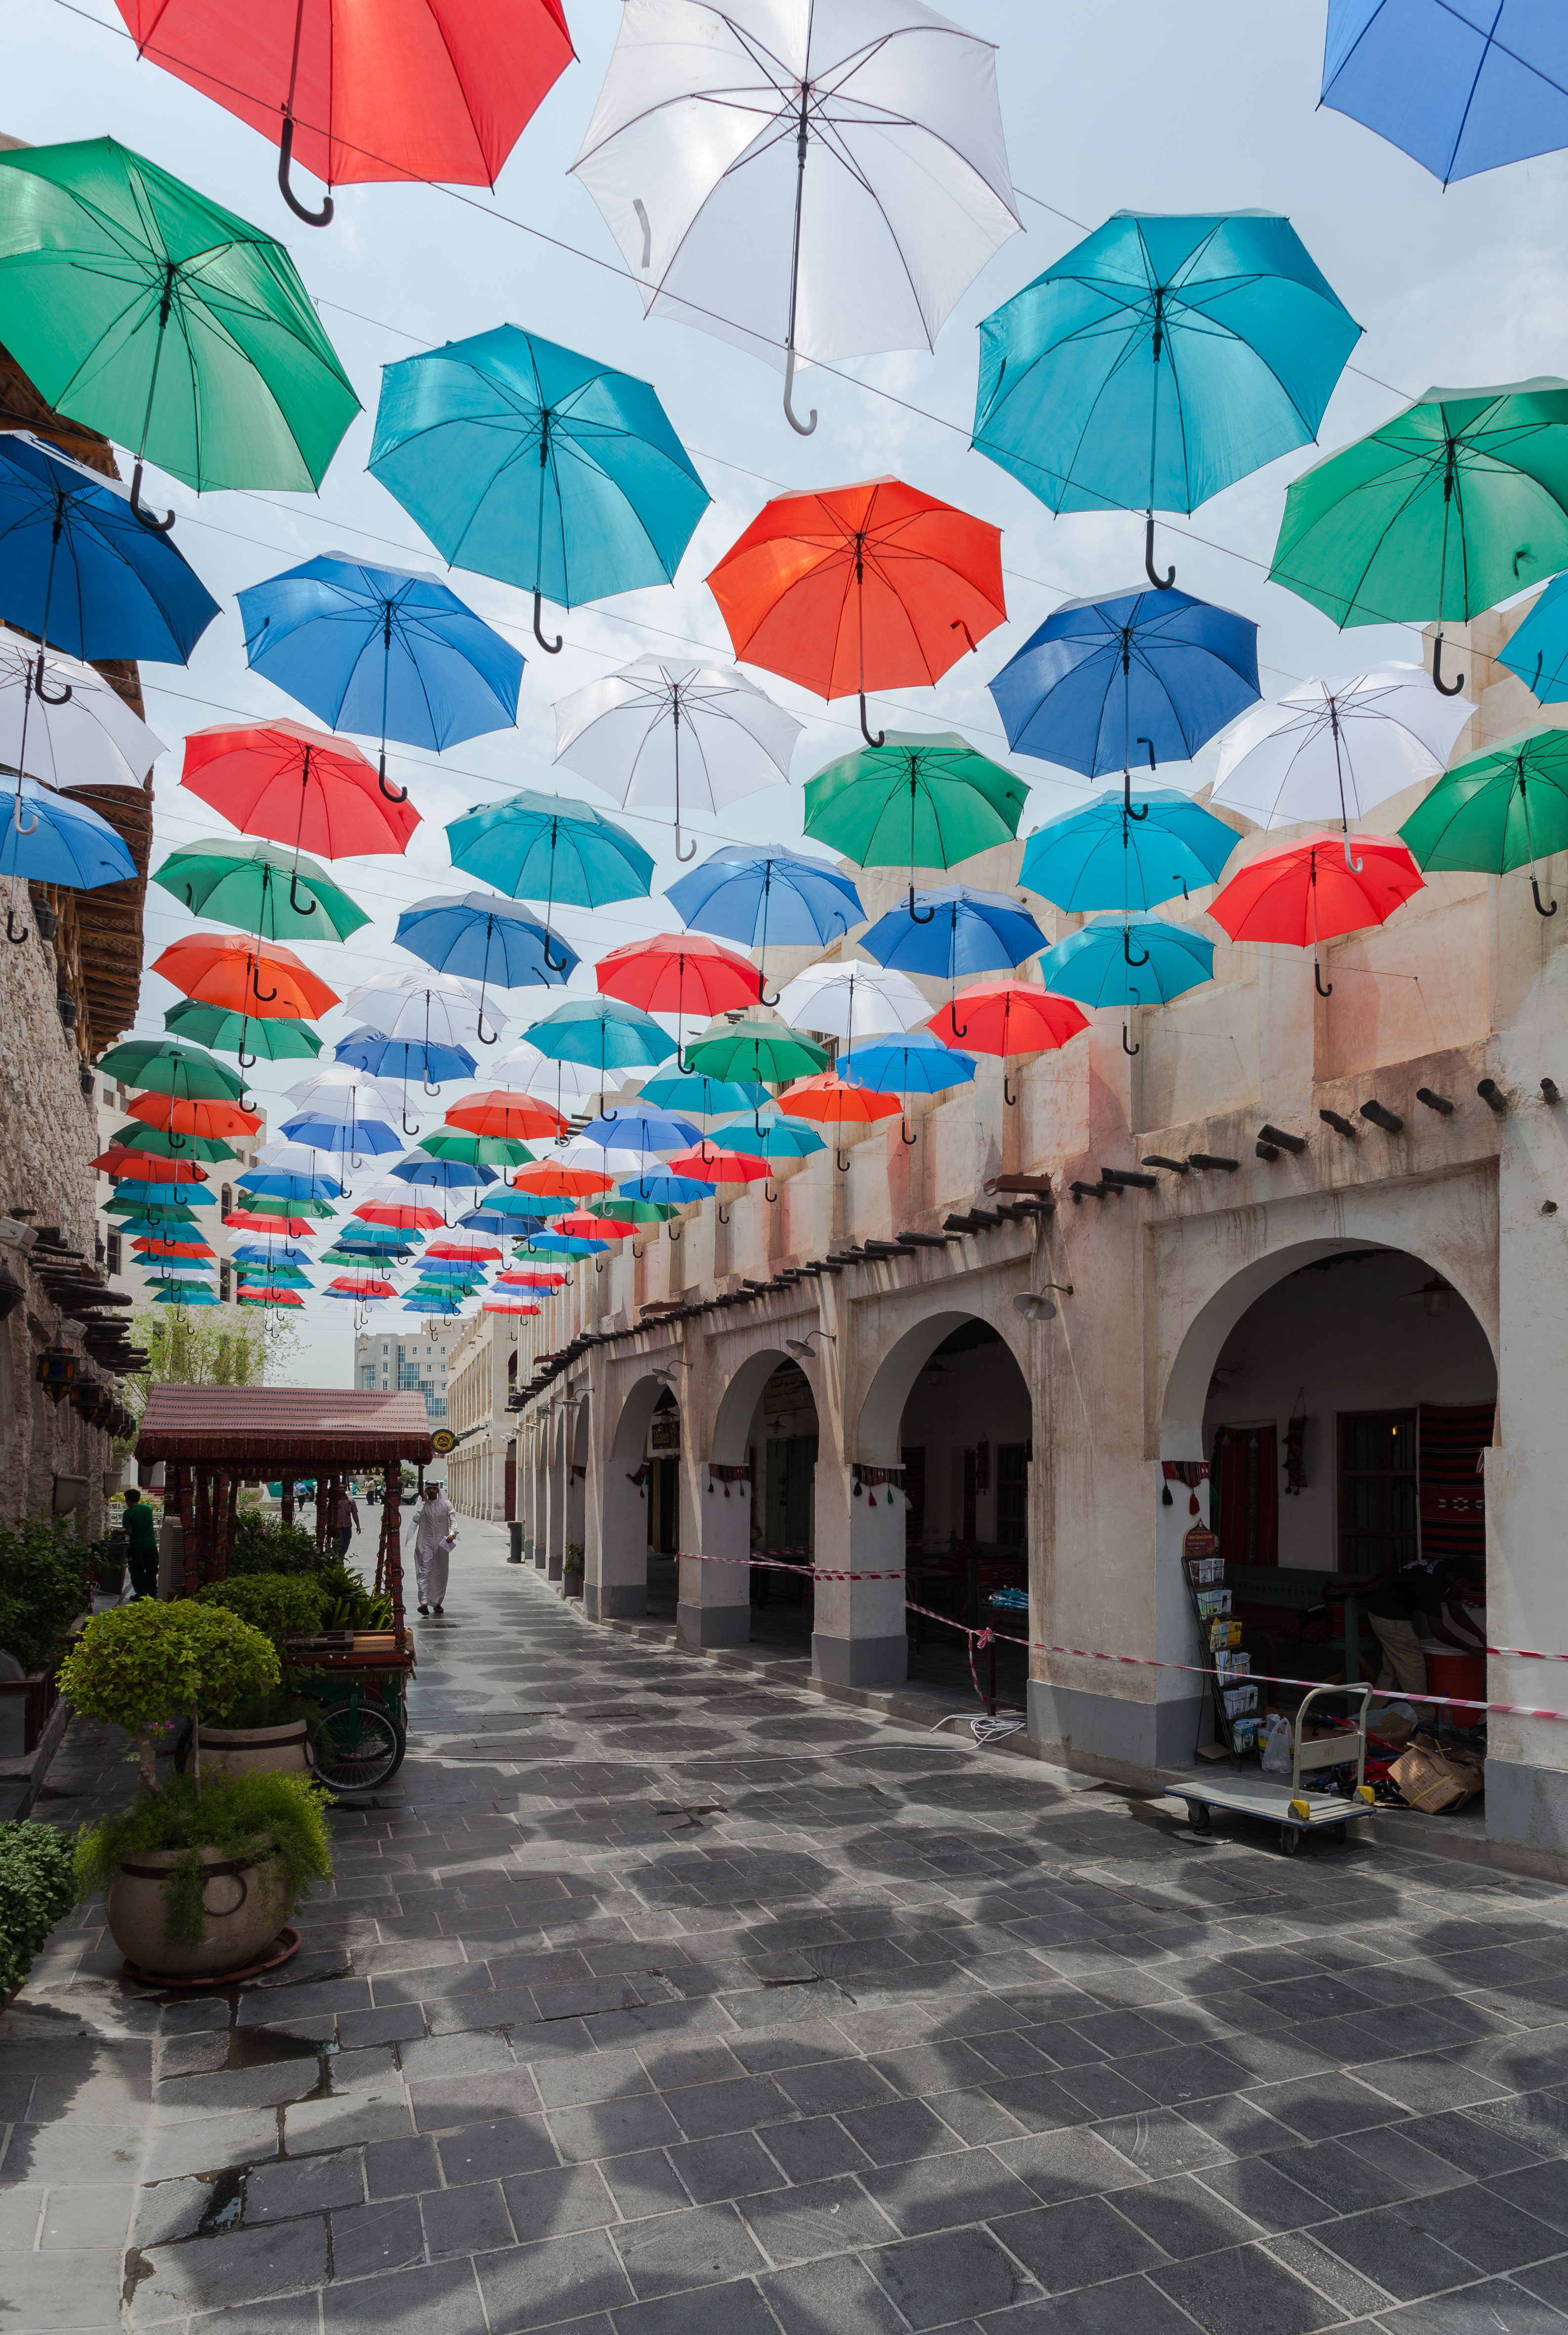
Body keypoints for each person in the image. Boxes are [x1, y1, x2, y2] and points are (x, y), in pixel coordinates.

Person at [1367, 1556, 1475, 1698]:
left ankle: (1372, 1712)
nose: (1465, 1590)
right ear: (1452, 1577)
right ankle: (1424, 1716)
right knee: (1413, 1665)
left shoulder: (1450, 1571)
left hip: (1389, 1610)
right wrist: (1470, 1648)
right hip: (1388, 1616)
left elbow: (1457, 1612)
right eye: (1463, 1586)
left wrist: (1481, 1636)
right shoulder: (1432, 1583)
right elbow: (1438, 1631)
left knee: (1393, 1668)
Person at [408, 1481, 458, 1615]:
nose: (431, 1491)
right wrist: (423, 1503)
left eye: (434, 1489)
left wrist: (452, 1534)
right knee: (424, 1571)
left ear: (438, 1490)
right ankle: (423, 1603)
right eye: (429, 1488)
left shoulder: (446, 1504)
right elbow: (416, 1519)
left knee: (440, 1573)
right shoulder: (421, 1505)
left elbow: (453, 1520)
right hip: (425, 1543)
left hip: (442, 1545)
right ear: (425, 1490)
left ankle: (437, 1603)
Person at [123, 1488, 160, 1600]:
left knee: (136, 1572)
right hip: (151, 1546)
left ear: (127, 1500)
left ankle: (141, 1594)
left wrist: (119, 1532)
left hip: (136, 1547)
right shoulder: (148, 1509)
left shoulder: (128, 1513)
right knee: (152, 1570)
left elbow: (129, 1532)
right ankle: (153, 1592)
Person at [328, 1484, 360, 1561]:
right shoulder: (333, 1500)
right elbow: (328, 1513)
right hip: (336, 1526)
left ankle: (340, 1558)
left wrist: (358, 1526)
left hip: (347, 1526)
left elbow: (355, 1514)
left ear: (346, 1489)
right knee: (339, 1542)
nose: (342, 1489)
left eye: (344, 1487)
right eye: (341, 1487)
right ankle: (339, 1560)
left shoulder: (351, 1500)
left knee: (346, 1543)